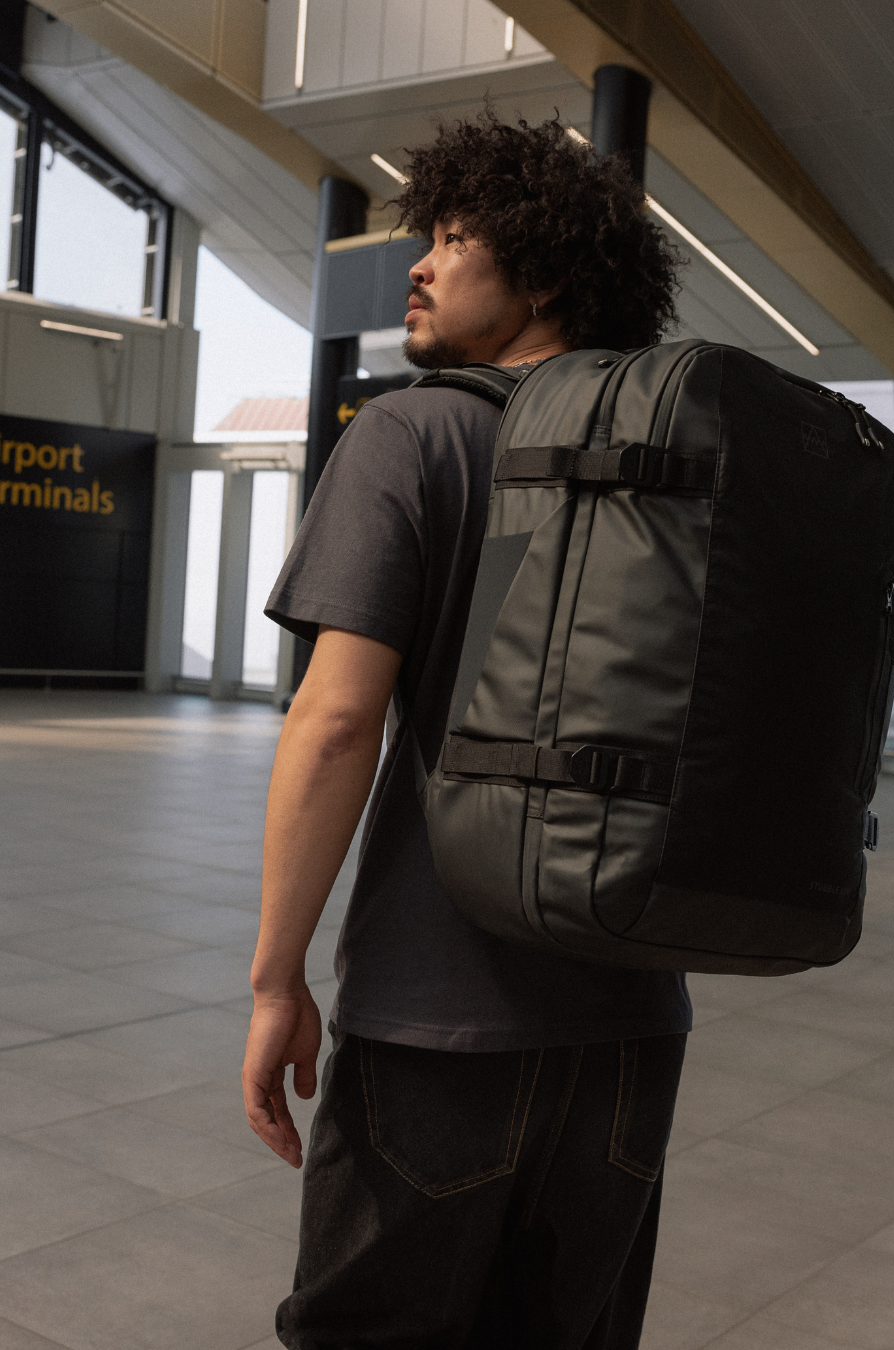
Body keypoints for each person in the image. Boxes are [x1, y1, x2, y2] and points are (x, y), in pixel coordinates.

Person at [243, 112, 688, 1349]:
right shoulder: (669, 462)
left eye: (453, 239)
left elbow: (337, 726)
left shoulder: (417, 429)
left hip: (440, 1024)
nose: (419, 266)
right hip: (633, 1029)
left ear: (541, 275)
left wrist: (278, 977)